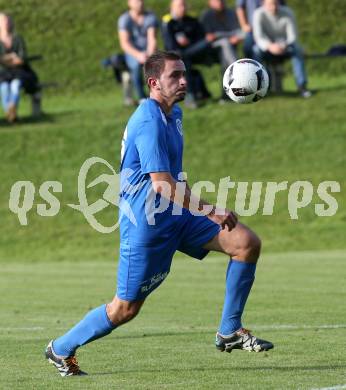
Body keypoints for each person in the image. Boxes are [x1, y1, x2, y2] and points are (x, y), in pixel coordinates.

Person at [45, 50, 273, 377]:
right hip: (147, 225)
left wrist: (196, 207)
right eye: (174, 76)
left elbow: (174, 178)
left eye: (184, 74)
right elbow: (162, 184)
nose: (184, 81)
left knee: (246, 243)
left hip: (176, 215)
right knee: (124, 309)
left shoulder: (174, 113)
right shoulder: (148, 119)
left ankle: (230, 331)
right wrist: (210, 210)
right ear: (154, 83)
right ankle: (61, 348)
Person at [252, 0, 311, 98]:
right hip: (267, 47)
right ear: (263, 4)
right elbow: (258, 37)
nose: (273, 7)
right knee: (256, 50)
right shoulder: (258, 14)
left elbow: (292, 36)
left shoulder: (288, 12)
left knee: (297, 49)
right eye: (270, 4)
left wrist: (282, 46)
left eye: (275, 3)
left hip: (285, 47)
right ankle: (261, 87)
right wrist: (270, 46)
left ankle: (302, 86)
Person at [162, 0, 212, 107]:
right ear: (172, 8)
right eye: (180, 5)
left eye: (184, 5)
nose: (183, 8)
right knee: (184, 61)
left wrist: (189, 41)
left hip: (193, 52)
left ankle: (196, 94)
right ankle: (190, 95)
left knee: (206, 43)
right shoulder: (168, 22)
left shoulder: (191, 20)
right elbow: (170, 45)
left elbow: (200, 37)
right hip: (176, 56)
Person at [0, 13, 41, 122]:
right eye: (3, 21)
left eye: (7, 21)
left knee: (15, 85)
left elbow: (21, 58)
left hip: (19, 72)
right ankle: (10, 114)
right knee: (4, 87)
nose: (6, 23)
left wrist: (7, 60)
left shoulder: (18, 38)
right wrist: (11, 57)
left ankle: (12, 108)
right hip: (3, 73)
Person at [200, 0, 245, 102]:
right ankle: (237, 69)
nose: (219, 2)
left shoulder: (231, 13)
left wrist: (231, 36)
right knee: (225, 43)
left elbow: (239, 32)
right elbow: (209, 37)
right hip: (211, 49)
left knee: (225, 59)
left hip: (228, 48)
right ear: (210, 2)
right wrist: (227, 36)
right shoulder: (206, 16)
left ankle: (225, 95)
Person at [118, 0, 158, 105]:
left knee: (157, 66)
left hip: (148, 51)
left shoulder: (150, 17)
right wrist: (138, 55)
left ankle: (158, 95)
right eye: (136, 1)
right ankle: (142, 97)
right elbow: (124, 43)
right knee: (135, 66)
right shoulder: (124, 19)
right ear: (129, 3)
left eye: (141, 1)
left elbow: (152, 38)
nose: (140, 3)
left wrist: (149, 54)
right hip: (133, 52)